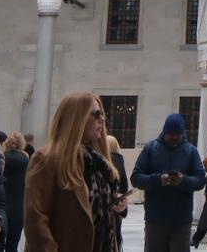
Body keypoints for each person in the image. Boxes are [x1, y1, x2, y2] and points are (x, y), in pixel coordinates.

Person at [23, 92, 129, 252]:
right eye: (95, 114)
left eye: (102, 114)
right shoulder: (47, 159)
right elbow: (35, 222)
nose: (102, 119)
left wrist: (118, 205)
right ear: (76, 119)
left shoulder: (100, 163)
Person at [133, 112, 207, 252]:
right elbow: (136, 178)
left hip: (181, 220)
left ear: (182, 133)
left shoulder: (191, 151)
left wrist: (183, 180)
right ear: (164, 132)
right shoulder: (150, 149)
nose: (174, 137)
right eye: (170, 134)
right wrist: (157, 179)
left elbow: (200, 180)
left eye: (177, 134)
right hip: (155, 218)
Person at [1, 133, 30, 252]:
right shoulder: (27, 160)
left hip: (1, 206)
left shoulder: (2, 158)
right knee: (13, 244)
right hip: (19, 208)